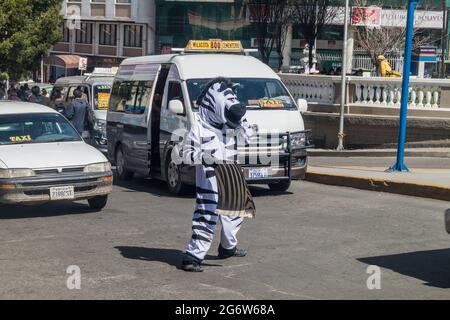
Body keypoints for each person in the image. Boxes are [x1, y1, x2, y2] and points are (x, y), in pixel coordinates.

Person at [180, 77, 257, 272]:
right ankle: (193, 256)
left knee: (236, 213)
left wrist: (244, 125)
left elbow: (249, 138)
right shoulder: (198, 127)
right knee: (207, 215)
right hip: (210, 177)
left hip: (231, 173)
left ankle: (227, 247)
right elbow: (185, 155)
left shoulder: (231, 127)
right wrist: (204, 157)